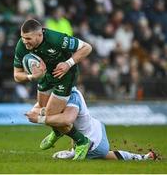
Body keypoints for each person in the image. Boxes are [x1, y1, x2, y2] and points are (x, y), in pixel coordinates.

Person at [13, 18, 92, 160]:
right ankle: (57, 131)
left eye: (28, 38)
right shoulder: (22, 45)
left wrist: (68, 63)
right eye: (23, 38)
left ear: (40, 35)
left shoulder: (56, 39)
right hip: (46, 76)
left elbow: (87, 47)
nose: (25, 41)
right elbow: (17, 75)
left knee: (48, 114)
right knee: (43, 109)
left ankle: (82, 142)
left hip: (65, 76)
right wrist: (32, 76)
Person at [26, 87, 157, 160]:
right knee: (106, 156)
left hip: (92, 142)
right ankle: (143, 158)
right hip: (96, 130)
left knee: (58, 120)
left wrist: (39, 119)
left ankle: (62, 136)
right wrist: (39, 112)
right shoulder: (62, 93)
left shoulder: (72, 97)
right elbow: (38, 108)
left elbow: (66, 120)